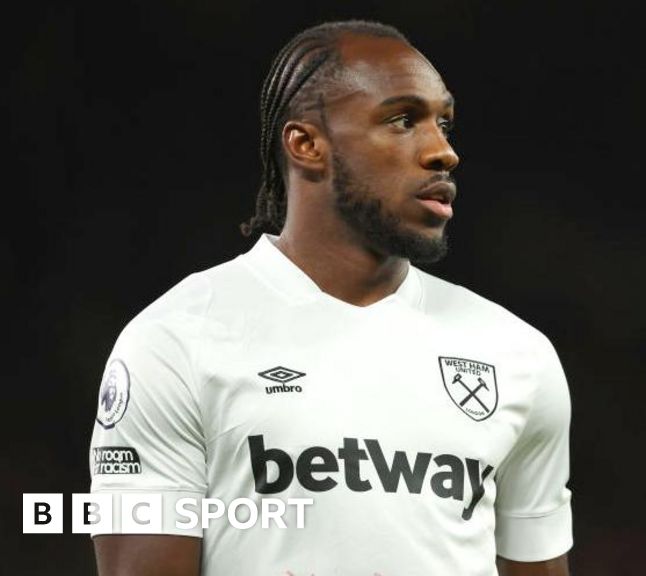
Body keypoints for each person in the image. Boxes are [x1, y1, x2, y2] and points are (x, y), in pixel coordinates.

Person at [89, 20, 573, 576]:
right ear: (307, 145)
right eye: (402, 120)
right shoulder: (174, 342)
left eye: (444, 124)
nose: (443, 151)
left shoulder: (516, 355)